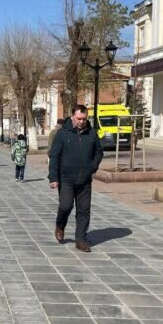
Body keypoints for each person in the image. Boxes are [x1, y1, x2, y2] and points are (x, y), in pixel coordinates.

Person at [48, 104, 103, 252]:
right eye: (79, 118)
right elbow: (54, 156)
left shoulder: (91, 133)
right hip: (66, 178)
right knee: (65, 206)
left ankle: (81, 240)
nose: (81, 121)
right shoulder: (63, 134)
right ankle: (60, 226)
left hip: (85, 180)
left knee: (84, 210)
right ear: (73, 117)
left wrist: (92, 167)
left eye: (84, 119)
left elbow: (99, 152)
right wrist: (53, 177)